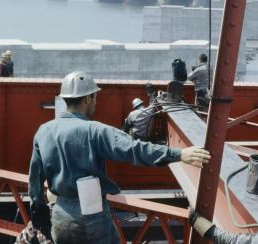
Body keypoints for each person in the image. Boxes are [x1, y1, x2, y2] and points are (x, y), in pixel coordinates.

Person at [28, 71, 211, 244]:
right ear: (87, 98)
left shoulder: (44, 131)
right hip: (91, 215)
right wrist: (178, 154)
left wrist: (40, 214)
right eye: (95, 97)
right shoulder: (95, 130)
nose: (95, 102)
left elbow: (34, 183)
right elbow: (135, 149)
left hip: (61, 214)